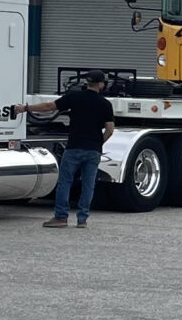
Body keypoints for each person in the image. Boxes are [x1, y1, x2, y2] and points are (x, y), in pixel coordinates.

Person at [26, 72, 116, 227]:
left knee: (65, 182)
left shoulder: (74, 97)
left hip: (74, 146)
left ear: (87, 83)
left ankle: (61, 217)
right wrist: (98, 143)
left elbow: (49, 107)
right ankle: (82, 220)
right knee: (88, 185)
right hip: (93, 149)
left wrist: (26, 108)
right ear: (101, 84)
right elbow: (110, 129)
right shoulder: (105, 104)